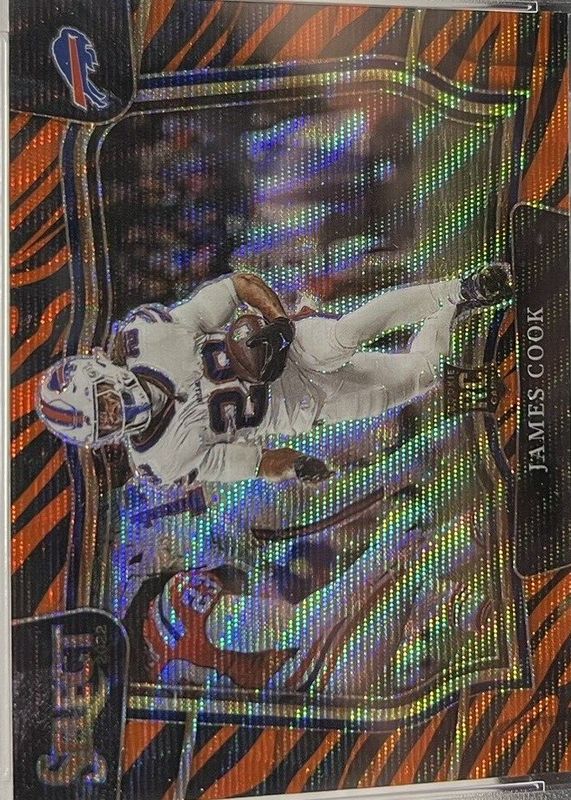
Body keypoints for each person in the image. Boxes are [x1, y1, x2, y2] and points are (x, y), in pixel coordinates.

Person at [37, 265, 512, 486]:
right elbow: (254, 462)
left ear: (101, 370)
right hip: (301, 408)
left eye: (103, 401)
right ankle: (455, 307)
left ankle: (460, 286)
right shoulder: (160, 461)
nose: (115, 413)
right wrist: (298, 465)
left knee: (348, 332)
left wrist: (280, 321)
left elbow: (237, 285)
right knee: (422, 375)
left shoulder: (148, 338)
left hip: (287, 351)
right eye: (104, 420)